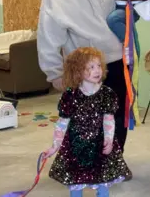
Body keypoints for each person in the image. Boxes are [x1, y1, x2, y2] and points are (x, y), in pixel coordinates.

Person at [36, 0, 133, 180]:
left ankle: (114, 162)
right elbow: (48, 31)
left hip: (115, 60)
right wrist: (54, 71)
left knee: (117, 114)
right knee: (84, 123)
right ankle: (85, 168)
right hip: (82, 67)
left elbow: (127, 8)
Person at [43, 47, 130, 197]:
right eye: (91, 67)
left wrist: (109, 139)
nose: (97, 70)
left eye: (98, 66)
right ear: (77, 71)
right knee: (76, 184)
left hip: (99, 146)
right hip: (75, 148)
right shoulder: (70, 95)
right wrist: (54, 146)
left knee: (103, 182)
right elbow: (62, 123)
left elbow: (109, 120)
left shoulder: (106, 94)